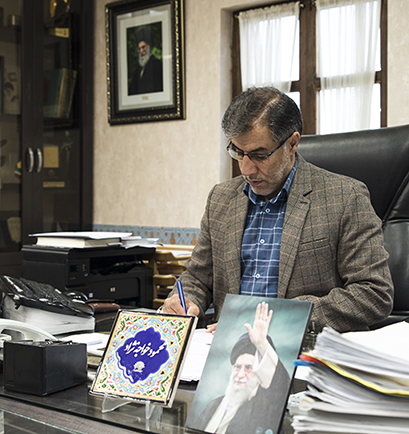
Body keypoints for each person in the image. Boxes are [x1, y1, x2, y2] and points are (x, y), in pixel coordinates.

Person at [163, 86, 393, 333]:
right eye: (238, 152)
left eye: (259, 155)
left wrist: (283, 319)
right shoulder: (221, 198)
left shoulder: (345, 197)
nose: (246, 169)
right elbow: (198, 278)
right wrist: (186, 300)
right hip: (226, 346)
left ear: (292, 143)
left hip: (305, 348)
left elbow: (374, 293)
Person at [192, 302, 290, 434]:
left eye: (249, 368)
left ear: (261, 374)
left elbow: (278, 382)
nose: (240, 374)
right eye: (237, 367)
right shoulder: (214, 405)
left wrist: (261, 344)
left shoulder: (264, 405)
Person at [128, 27, 163, 95]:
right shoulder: (138, 69)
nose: (141, 51)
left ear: (149, 46)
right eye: (139, 49)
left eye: (143, 47)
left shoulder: (157, 64)